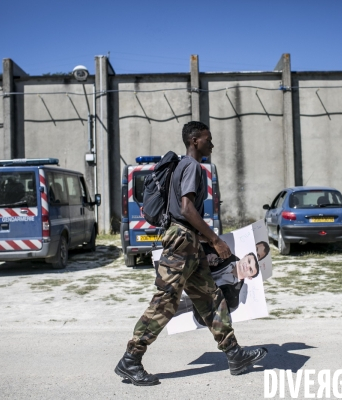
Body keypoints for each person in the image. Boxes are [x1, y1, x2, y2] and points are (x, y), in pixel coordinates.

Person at [114, 121, 267, 386]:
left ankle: (234, 354)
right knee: (165, 302)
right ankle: (130, 360)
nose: (212, 144)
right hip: (183, 240)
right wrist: (215, 240)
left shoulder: (182, 167)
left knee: (210, 298)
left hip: (189, 243)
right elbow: (186, 209)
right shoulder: (193, 167)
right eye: (209, 139)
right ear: (195, 140)